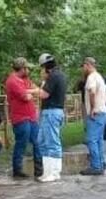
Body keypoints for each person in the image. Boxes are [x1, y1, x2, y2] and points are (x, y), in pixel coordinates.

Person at [4, 57, 42, 179]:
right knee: (21, 143)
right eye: (27, 68)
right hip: (20, 117)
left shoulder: (25, 79)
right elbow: (26, 97)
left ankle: (39, 169)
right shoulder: (12, 81)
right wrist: (31, 92)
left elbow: (37, 90)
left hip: (31, 116)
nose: (29, 70)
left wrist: (29, 91)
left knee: (37, 142)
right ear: (22, 69)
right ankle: (17, 170)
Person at [34, 53, 67, 182]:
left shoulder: (54, 76)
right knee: (43, 141)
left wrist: (32, 90)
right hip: (50, 111)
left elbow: (44, 94)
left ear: (45, 67)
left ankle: (54, 172)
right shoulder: (60, 75)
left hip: (51, 112)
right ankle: (47, 172)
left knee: (52, 142)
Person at [80, 57, 106, 175]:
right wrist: (102, 104)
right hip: (103, 112)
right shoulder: (99, 77)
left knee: (91, 140)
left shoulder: (91, 77)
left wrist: (92, 108)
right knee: (99, 140)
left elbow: (92, 92)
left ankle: (96, 166)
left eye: (83, 66)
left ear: (87, 65)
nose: (83, 69)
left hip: (95, 114)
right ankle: (101, 163)